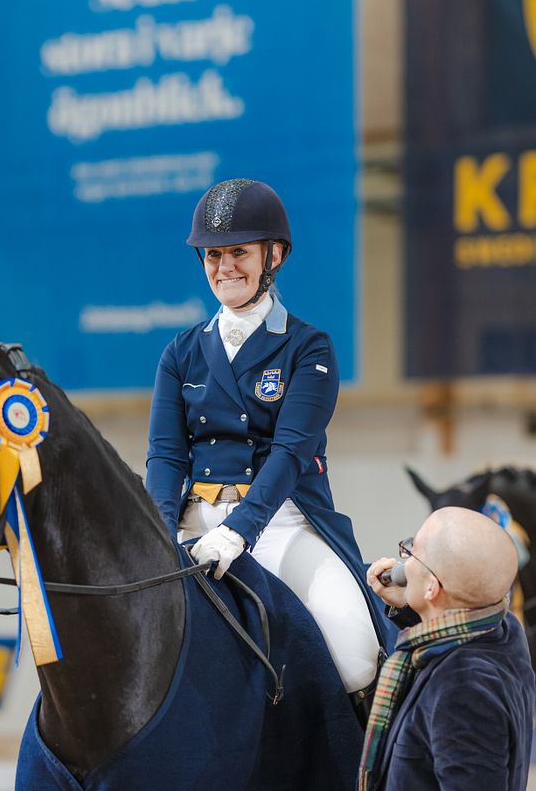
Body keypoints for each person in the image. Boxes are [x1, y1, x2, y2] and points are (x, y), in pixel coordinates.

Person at [145, 177, 388, 718]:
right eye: (213, 255)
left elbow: (290, 453)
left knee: (354, 652)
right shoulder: (180, 352)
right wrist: (159, 532)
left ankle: (363, 783)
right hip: (194, 519)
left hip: (279, 520)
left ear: (272, 256)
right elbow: (165, 455)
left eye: (239, 253)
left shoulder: (308, 347)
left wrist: (239, 530)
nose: (224, 267)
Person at [334, 506, 536, 791]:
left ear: (434, 586)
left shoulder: (464, 686)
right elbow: (451, 628)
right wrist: (411, 609)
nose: (401, 562)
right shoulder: (500, 627)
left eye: (412, 552)